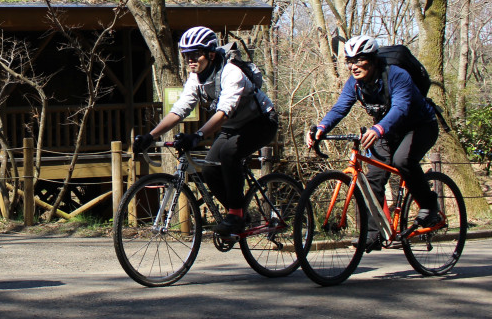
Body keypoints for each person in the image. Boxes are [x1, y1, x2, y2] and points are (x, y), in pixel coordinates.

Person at [132, 26, 279, 236]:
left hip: (262, 122)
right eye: (186, 56)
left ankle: (236, 215)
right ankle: (238, 213)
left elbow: (224, 112)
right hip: (233, 127)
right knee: (209, 168)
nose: (190, 60)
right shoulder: (196, 78)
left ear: (210, 54)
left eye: (195, 55)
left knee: (229, 153)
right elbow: (179, 110)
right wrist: (150, 136)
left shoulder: (231, 72)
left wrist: (198, 135)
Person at [305, 35, 440, 249]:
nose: (353, 66)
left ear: (373, 59)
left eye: (359, 59)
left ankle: (430, 206)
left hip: (420, 126)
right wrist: (322, 127)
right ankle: (374, 233)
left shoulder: (397, 75)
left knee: (402, 160)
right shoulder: (355, 84)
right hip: (388, 131)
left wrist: (378, 128)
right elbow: (341, 108)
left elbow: (401, 108)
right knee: (374, 179)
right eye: (349, 61)